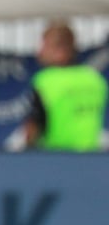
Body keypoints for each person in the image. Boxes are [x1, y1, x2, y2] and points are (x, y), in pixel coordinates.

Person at [23, 20, 107, 152]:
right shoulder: (95, 80)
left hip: (56, 157)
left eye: (45, 47)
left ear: (60, 51)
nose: (39, 52)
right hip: (92, 157)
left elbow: (34, 125)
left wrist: (26, 151)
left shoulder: (46, 80)